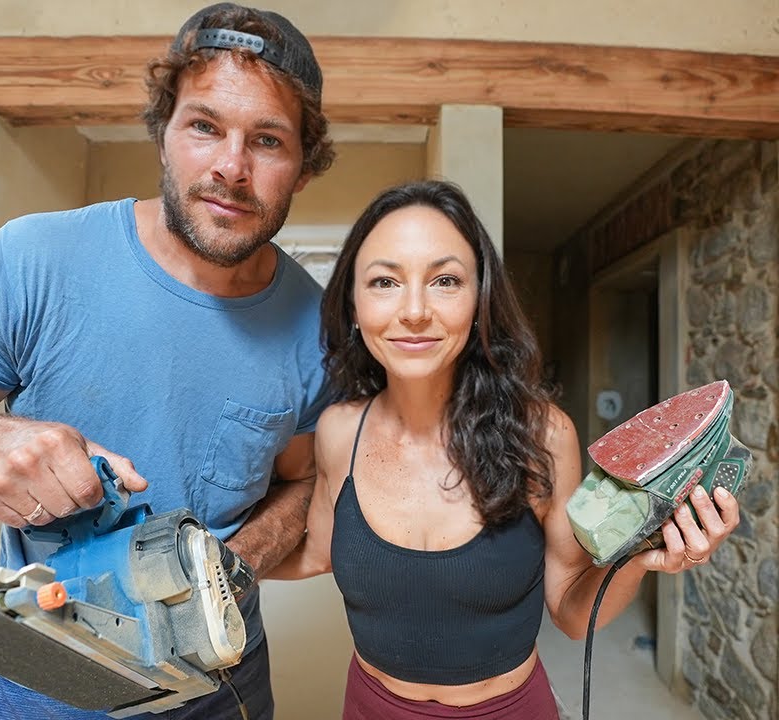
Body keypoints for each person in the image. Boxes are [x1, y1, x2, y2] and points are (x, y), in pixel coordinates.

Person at [0, 4, 336, 719]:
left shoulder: (317, 325)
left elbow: (306, 482)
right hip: (41, 688)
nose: (230, 167)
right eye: (205, 126)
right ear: (163, 134)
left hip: (226, 694)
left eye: (268, 140)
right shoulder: (33, 260)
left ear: (303, 167)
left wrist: (232, 567)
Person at [269, 180, 741, 719]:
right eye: (385, 281)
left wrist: (640, 559)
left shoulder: (542, 436)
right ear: (353, 303)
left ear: (480, 301)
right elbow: (321, 551)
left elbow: (570, 610)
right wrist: (211, 558)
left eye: (445, 280)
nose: (415, 310)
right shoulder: (337, 432)